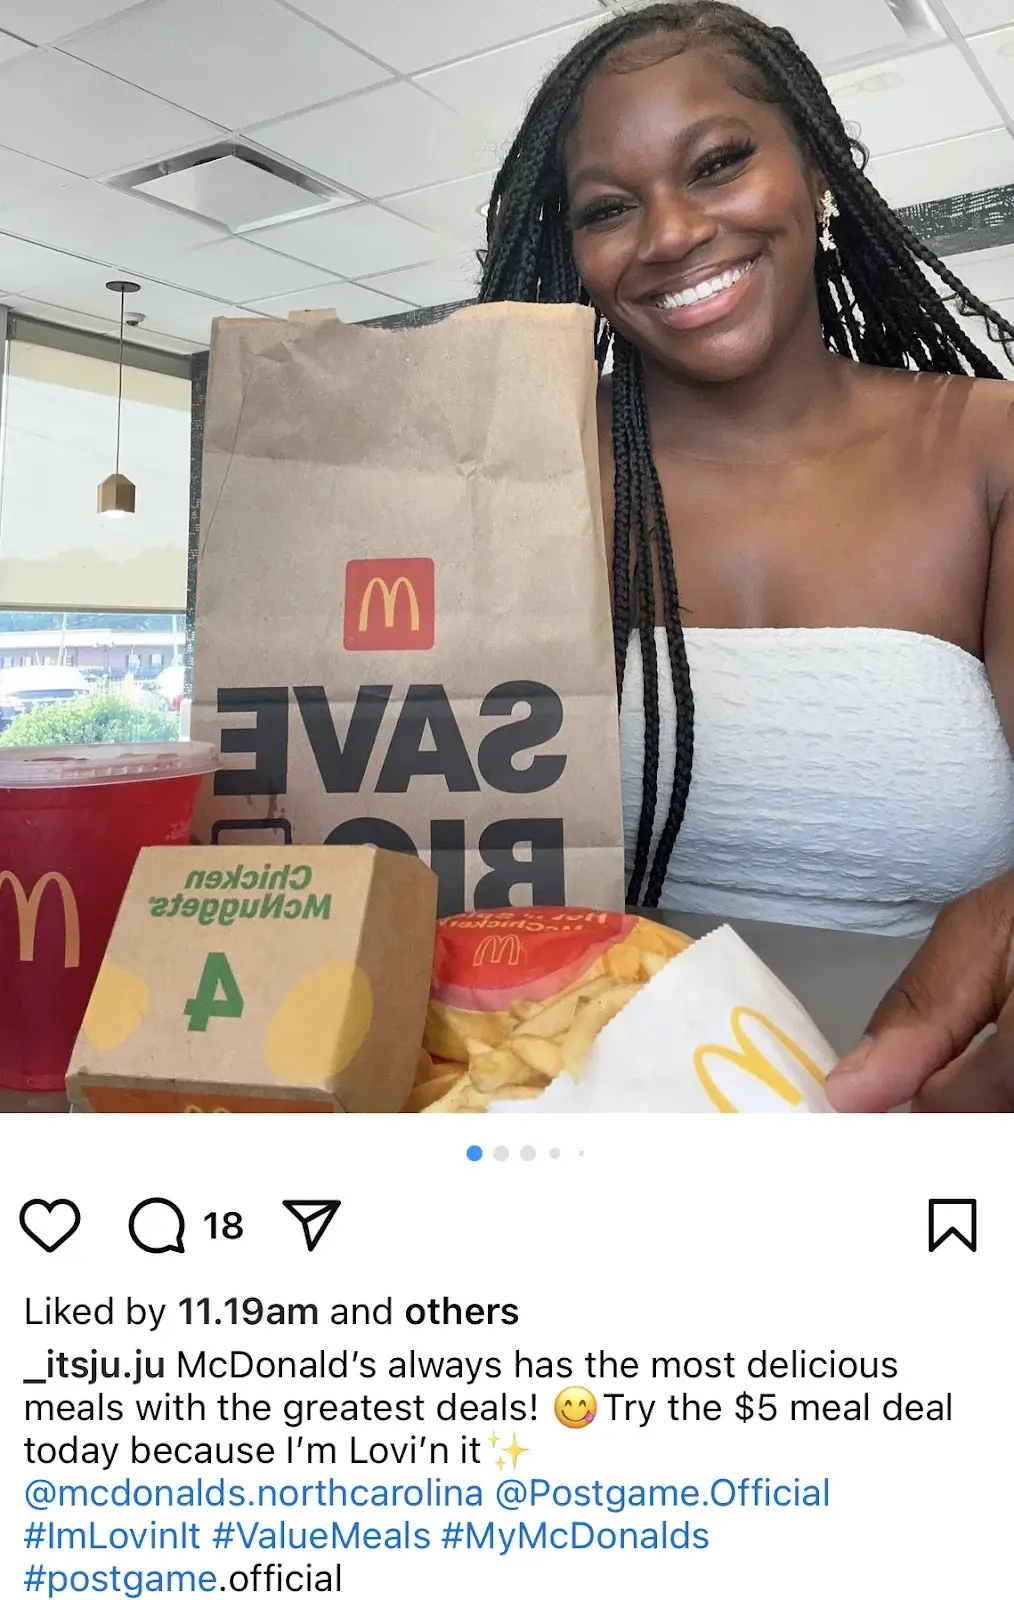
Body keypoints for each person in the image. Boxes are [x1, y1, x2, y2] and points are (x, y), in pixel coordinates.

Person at [478, 0, 1014, 1111]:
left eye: (718, 162)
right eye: (610, 207)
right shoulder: (526, 484)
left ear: (815, 170)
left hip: (932, 1115)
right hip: (576, 1114)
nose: (670, 233)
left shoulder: (990, 447)